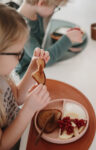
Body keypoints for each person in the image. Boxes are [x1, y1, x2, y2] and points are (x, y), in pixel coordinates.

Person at [0, 3, 51, 149]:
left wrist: (33, 67)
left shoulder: (3, 74)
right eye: (18, 53)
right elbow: (3, 144)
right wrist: (28, 110)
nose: (21, 57)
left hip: (23, 132)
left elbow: (16, 97)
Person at [16, 0, 83, 78]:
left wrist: (66, 46)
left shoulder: (36, 13)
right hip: (23, 74)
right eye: (55, 7)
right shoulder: (21, 28)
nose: (54, 11)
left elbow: (38, 45)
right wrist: (67, 39)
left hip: (34, 65)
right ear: (41, 3)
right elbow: (42, 60)